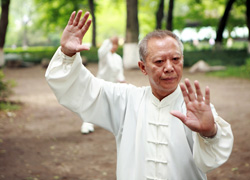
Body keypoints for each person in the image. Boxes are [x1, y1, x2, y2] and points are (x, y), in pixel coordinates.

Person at [45, 10, 233, 180]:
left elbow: (214, 157)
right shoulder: (125, 100)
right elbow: (83, 90)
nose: (169, 67)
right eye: (159, 61)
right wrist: (67, 53)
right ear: (143, 67)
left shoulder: (195, 107)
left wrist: (210, 132)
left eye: (175, 59)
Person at [81, 35, 125, 134]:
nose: (114, 46)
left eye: (116, 44)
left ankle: (117, 124)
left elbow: (119, 73)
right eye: (112, 44)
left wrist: (122, 81)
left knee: (114, 105)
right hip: (101, 84)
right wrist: (109, 40)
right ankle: (87, 125)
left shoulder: (118, 58)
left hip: (113, 85)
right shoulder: (105, 56)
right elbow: (101, 51)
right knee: (94, 104)